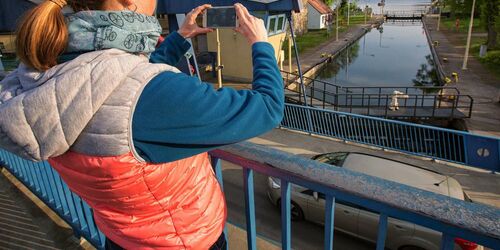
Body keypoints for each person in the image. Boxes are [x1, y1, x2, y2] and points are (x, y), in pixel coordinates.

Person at [0, 0, 284, 249]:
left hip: (120, 237)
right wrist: (260, 43)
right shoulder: (152, 97)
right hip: (183, 240)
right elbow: (267, 108)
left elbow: (117, 81)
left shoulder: (46, 72)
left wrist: (180, 37)